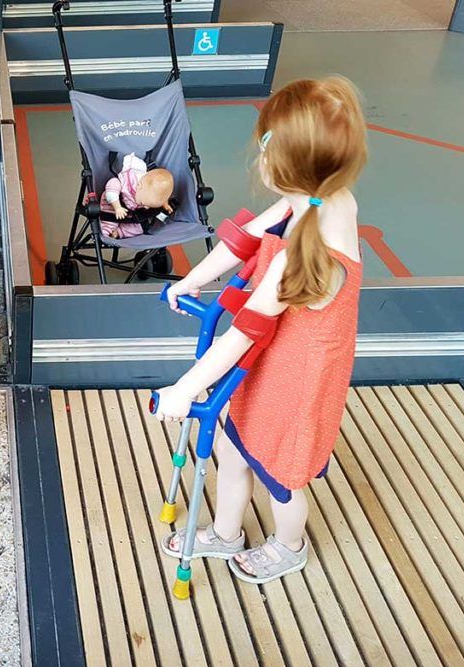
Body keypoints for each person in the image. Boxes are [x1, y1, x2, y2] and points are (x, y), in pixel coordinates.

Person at [153, 76, 368, 583]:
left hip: (302, 375)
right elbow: (248, 237)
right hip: (277, 356)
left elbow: (243, 333)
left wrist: (186, 388)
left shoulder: (303, 253)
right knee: (234, 442)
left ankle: (289, 544)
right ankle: (228, 532)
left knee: (281, 474)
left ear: (280, 167)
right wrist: (194, 279)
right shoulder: (314, 197)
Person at [99, 153, 176, 238]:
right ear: (139, 186)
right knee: (109, 224)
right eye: (143, 203)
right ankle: (106, 234)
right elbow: (111, 187)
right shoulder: (126, 183)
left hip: (132, 213)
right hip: (112, 207)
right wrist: (117, 207)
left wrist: (164, 203)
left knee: (140, 228)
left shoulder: (147, 192)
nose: (146, 207)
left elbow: (159, 194)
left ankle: (119, 232)